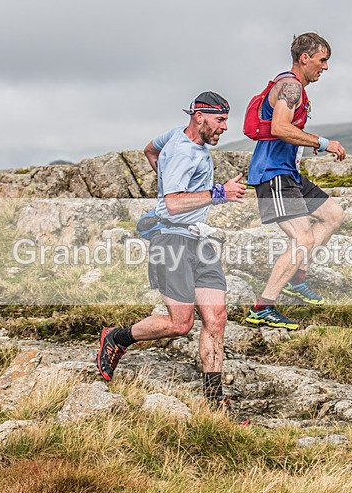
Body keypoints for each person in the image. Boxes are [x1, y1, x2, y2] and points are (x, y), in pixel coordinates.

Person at [97, 91, 247, 413]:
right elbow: (173, 204)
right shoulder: (183, 153)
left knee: (216, 318)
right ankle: (118, 338)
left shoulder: (174, 136)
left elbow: (150, 149)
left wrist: (166, 181)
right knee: (181, 324)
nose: (224, 128)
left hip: (198, 240)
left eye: (225, 121)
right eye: (220, 121)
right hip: (171, 241)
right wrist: (218, 193)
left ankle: (214, 402)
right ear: (200, 117)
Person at [244, 33, 347, 330]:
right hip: (272, 174)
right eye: (322, 60)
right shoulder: (289, 86)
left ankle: (297, 279)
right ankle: (263, 307)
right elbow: (279, 127)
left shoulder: (296, 88)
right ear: (305, 58)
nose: (325, 67)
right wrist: (323, 142)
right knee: (302, 238)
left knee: (333, 215)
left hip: (288, 172)